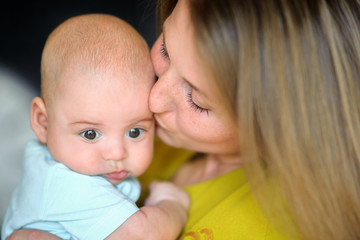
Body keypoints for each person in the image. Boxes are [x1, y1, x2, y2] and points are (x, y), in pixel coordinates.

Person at [8, 0, 360, 239]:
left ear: (279, 124)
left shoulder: (278, 223)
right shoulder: (124, 131)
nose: (154, 98)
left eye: (198, 100)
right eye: (164, 50)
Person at [1, 13, 189, 240]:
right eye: (90, 134)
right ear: (44, 123)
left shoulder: (74, 165)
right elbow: (142, 235)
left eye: (135, 132)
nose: (117, 152)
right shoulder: (66, 184)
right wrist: (172, 205)